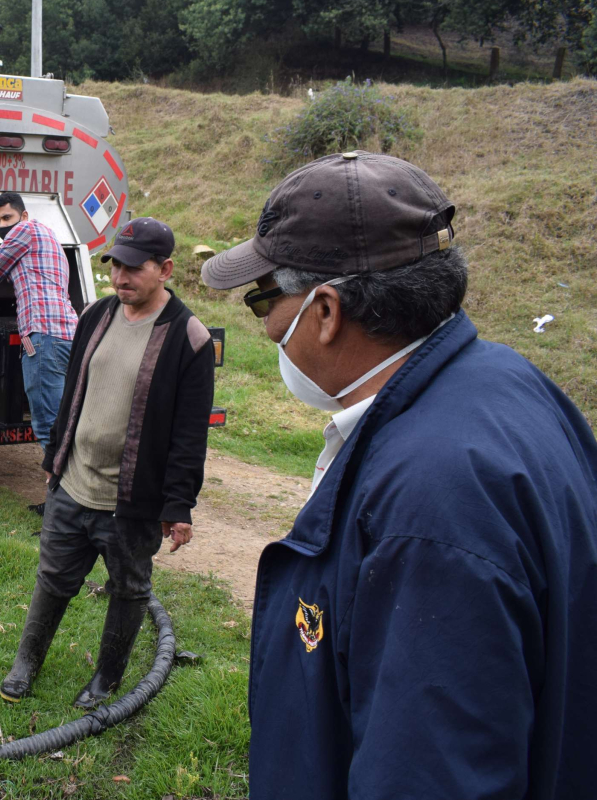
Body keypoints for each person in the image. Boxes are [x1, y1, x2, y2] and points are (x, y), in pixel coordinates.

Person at [200, 151, 597, 799]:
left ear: (326, 312)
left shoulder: (429, 507)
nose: (267, 323)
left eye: (264, 298)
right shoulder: (511, 383)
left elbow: (432, 774)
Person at [0, 217, 215, 709]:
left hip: (131, 503)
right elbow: (74, 393)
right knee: (53, 578)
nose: (121, 277)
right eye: (116, 265)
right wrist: (55, 457)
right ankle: (26, 663)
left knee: (128, 589)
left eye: (134, 268)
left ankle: (105, 680)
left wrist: (178, 503)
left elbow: (189, 433)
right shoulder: (96, 315)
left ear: (166, 269)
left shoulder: (190, 338)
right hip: (72, 486)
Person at [0, 191, 77, 514]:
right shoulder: (49, 236)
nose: (2, 226)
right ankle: (72, 497)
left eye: (7, 218)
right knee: (66, 421)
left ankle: (63, 505)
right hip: (68, 333)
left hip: (43, 337)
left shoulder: (25, 232)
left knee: (47, 424)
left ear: (23, 216)